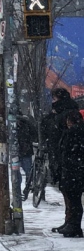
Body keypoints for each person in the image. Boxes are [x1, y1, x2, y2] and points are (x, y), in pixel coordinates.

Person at [44, 88, 79, 233]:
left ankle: (72, 223)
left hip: (67, 159)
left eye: (54, 98)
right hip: (63, 157)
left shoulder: (66, 114)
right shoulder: (61, 113)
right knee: (67, 191)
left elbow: (65, 137)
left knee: (71, 193)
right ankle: (69, 222)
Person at [60, 110, 84, 237]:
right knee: (75, 200)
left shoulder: (72, 133)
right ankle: (73, 225)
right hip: (78, 170)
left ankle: (74, 226)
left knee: (74, 200)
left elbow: (67, 152)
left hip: (73, 172)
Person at [17, 115, 37, 200]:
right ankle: (25, 188)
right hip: (24, 152)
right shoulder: (27, 125)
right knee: (26, 171)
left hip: (22, 152)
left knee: (24, 172)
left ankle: (24, 189)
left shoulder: (25, 125)